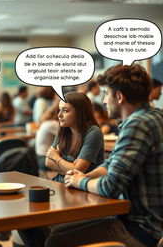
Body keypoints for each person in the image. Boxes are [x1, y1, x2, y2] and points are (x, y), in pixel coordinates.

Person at [52, 64, 163, 247]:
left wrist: (80, 182)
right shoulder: (155, 116)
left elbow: (110, 187)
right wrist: (85, 176)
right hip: (153, 224)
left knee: (55, 239)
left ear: (119, 97)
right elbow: (112, 162)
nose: (103, 101)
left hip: (143, 229)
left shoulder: (136, 125)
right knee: (57, 230)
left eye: (106, 93)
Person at [45, 92, 104, 183]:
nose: (59, 115)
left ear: (80, 113)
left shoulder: (93, 132)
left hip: (82, 188)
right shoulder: (63, 129)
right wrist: (70, 167)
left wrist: (56, 157)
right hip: (60, 184)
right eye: (59, 110)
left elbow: (78, 170)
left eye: (65, 111)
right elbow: (48, 162)